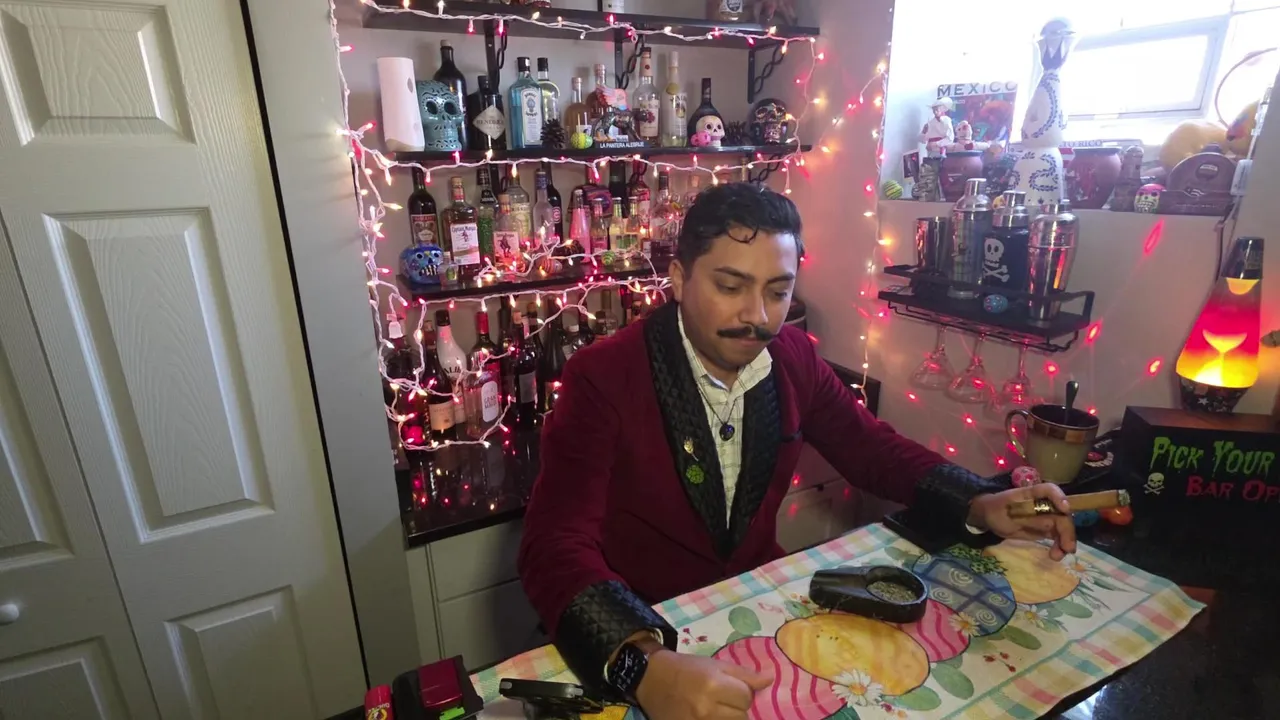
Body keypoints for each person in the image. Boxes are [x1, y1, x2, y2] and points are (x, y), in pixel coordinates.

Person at [518, 183, 1076, 720]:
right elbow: (553, 544)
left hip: (758, 615)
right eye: (730, 286)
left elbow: (870, 448)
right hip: (645, 622)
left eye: (777, 291)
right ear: (680, 279)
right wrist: (641, 663)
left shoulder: (792, 356)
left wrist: (978, 500)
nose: (757, 316)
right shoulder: (602, 376)